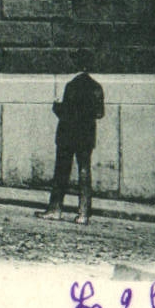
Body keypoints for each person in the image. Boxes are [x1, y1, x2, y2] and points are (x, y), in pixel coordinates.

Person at [41, 52, 105, 224]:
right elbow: (100, 113)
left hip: (68, 135)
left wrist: (56, 107)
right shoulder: (96, 87)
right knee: (85, 172)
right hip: (87, 136)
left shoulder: (71, 86)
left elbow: (66, 113)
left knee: (62, 171)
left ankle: (55, 209)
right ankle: (84, 214)